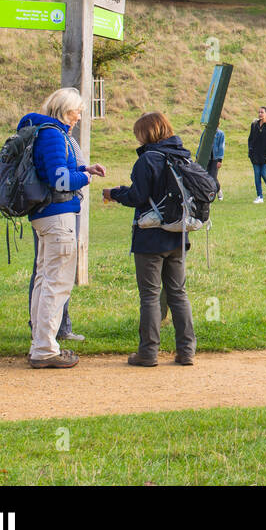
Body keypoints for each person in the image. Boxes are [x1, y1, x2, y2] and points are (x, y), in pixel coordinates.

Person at [102, 112, 196, 367]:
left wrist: (114, 193)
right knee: (178, 293)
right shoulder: (182, 155)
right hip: (179, 234)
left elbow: (137, 196)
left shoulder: (148, 159)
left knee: (150, 296)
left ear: (147, 133)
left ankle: (148, 352)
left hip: (150, 238)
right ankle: (186, 351)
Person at [20, 87, 106, 369]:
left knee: (45, 280)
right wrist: (84, 177)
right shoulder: (54, 135)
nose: (78, 117)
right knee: (57, 283)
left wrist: (84, 170)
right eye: (75, 112)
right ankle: (45, 349)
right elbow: (60, 180)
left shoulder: (44, 131)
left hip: (44, 215)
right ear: (61, 110)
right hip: (58, 216)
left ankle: (39, 343)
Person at [248, 107, 266, 203]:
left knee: (264, 174)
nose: (260, 114)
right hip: (255, 155)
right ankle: (260, 197)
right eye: (259, 112)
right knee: (257, 175)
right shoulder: (254, 125)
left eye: (262, 112)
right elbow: (250, 139)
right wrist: (250, 151)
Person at [207, 126, 225, 201]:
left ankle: (218, 190)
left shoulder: (220, 134)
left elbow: (221, 147)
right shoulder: (206, 132)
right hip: (207, 158)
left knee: (213, 177)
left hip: (215, 158)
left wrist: (220, 160)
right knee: (206, 176)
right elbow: (201, 144)